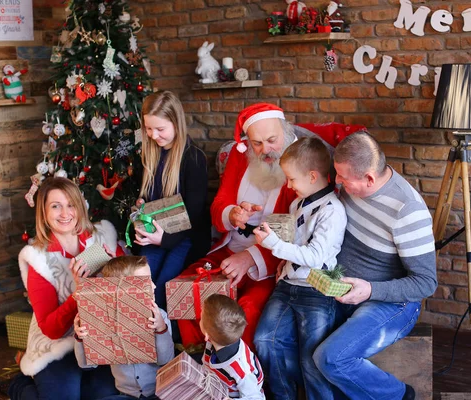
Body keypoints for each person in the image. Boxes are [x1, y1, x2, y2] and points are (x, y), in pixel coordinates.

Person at [313, 132, 438, 400]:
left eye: (343, 178)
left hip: (392, 302)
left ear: (369, 178)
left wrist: (369, 290)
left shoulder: (408, 210)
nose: (337, 182)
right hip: (344, 290)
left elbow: (425, 283)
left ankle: (399, 395)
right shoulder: (352, 187)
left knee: (331, 358)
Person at [177, 103, 302, 349]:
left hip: (270, 260)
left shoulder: (299, 160)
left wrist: (249, 258)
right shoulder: (239, 154)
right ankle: (198, 365)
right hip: (229, 248)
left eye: (272, 140)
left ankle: (240, 378)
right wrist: (231, 214)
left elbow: (295, 232)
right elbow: (218, 204)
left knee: (247, 311)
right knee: (185, 291)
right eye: (257, 143)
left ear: (285, 133)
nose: (265, 150)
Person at [252, 137, 346, 400]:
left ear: (313, 175)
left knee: (311, 359)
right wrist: (280, 252)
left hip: (316, 290)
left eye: (292, 179)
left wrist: (273, 244)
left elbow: (315, 257)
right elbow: (296, 241)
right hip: (288, 285)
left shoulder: (332, 211)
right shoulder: (298, 204)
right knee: (265, 340)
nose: (288, 184)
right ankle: (284, 396)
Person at [9, 177, 118, 400]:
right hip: (57, 342)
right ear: (44, 213)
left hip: (98, 336)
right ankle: (19, 385)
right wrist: (79, 293)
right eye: (55, 206)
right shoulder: (38, 258)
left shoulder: (100, 238)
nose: (65, 213)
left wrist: (112, 264)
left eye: (70, 205)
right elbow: (51, 329)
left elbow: (124, 284)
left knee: (106, 394)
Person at [134, 90, 210, 310]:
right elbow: (146, 197)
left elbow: (194, 214)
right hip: (154, 233)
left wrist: (164, 240)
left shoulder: (193, 158)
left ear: (176, 123)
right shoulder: (149, 155)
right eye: (148, 129)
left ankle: (167, 340)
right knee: (143, 285)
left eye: (160, 129)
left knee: (165, 287)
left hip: (185, 237)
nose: (154, 135)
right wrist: (140, 204)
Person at [74, 255, 174, 400]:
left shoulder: (160, 316)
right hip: (126, 395)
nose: (153, 286)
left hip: (160, 392)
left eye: (150, 279)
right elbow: (87, 365)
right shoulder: (100, 317)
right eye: (145, 282)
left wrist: (160, 328)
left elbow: (166, 360)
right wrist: (80, 338)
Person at [199, 294, 264, 399]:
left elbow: (255, 397)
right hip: (216, 387)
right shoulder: (215, 340)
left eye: (201, 318)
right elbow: (206, 367)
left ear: (206, 335)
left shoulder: (241, 369)